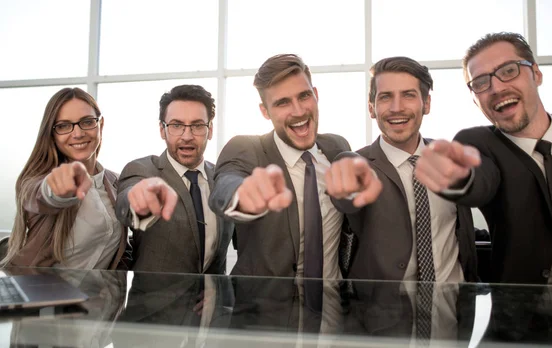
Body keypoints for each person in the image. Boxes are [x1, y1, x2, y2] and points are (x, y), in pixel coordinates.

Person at [414, 32, 552, 285]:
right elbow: (480, 180)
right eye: (480, 82)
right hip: (524, 318)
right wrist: (460, 178)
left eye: (509, 70)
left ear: (536, 73)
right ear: (474, 97)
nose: (497, 88)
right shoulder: (478, 142)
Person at [209, 53, 381, 279]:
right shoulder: (247, 148)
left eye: (304, 96)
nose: (298, 111)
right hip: (264, 310)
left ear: (316, 95)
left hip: (333, 307)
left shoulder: (337, 146)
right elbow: (225, 185)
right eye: (282, 102)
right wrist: (242, 196)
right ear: (265, 111)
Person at [327, 56, 478, 282]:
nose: (397, 108)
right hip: (381, 313)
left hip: (453, 309)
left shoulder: (451, 160)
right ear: (371, 108)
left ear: (426, 104)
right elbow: (345, 196)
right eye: (386, 97)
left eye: (408, 95)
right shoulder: (357, 165)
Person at [2, 87, 130, 269]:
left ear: (100, 125)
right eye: (63, 126)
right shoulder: (34, 181)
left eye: (87, 122)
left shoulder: (115, 182)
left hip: (94, 296)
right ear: (52, 135)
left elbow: (119, 251)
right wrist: (56, 190)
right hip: (38, 294)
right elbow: (39, 195)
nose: (77, 133)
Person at [116, 85, 234, 274]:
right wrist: (137, 199)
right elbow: (126, 206)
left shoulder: (222, 178)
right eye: (176, 125)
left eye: (197, 125)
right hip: (154, 302)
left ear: (210, 130)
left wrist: (216, 293)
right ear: (163, 130)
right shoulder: (142, 170)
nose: (187, 136)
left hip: (212, 302)